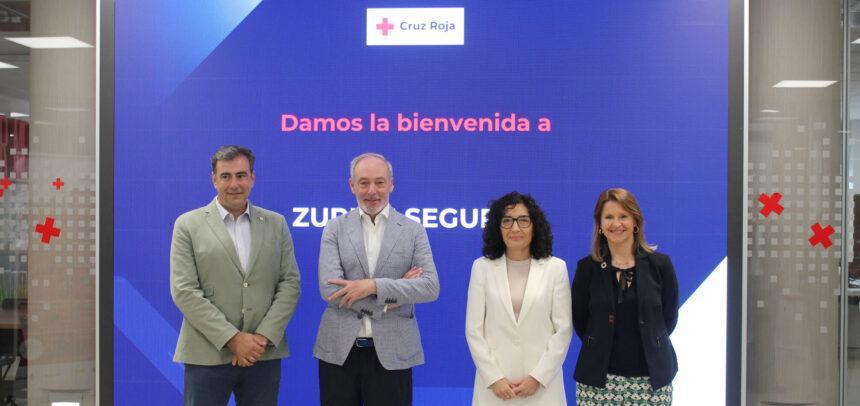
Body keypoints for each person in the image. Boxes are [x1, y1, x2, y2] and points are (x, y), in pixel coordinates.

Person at [170, 145, 301, 405]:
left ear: (252, 178)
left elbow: (290, 283)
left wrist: (260, 339)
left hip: (262, 355)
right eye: (226, 176)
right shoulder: (188, 225)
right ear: (214, 180)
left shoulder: (276, 223)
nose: (234, 184)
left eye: (241, 175)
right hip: (207, 354)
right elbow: (184, 291)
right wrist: (233, 339)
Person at [314, 152, 440, 406]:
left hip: (394, 353)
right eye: (364, 183)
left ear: (391, 184)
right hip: (339, 353)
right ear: (352, 186)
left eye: (379, 182)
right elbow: (331, 290)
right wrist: (391, 297)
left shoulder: (413, 230)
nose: (372, 190)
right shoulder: (335, 228)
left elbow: (429, 287)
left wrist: (372, 286)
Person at [571, 188, 678, 405]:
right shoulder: (587, 268)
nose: (616, 223)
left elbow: (668, 319)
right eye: (609, 217)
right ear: (600, 226)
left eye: (623, 216)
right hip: (598, 383)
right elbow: (581, 321)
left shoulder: (660, 265)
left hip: (651, 381)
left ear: (635, 221)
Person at [465, 191, 572, 405]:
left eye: (523, 220)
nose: (515, 228)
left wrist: (538, 377)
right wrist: (494, 377)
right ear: (498, 227)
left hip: (542, 388)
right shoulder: (482, 268)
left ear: (535, 226)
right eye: (507, 221)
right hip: (495, 389)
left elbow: (563, 330)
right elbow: (473, 330)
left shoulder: (555, 268)